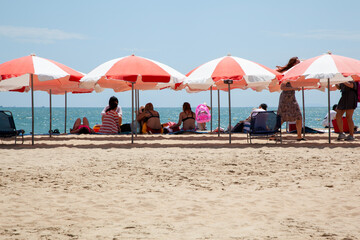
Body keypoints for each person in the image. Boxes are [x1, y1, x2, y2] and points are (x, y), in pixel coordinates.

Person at [276, 57, 304, 141]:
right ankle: (273, 133)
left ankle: (299, 136)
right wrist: (295, 88)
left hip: (292, 97)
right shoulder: (288, 73)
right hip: (285, 98)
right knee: (282, 118)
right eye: (298, 62)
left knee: (298, 116)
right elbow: (282, 87)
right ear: (293, 64)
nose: (299, 64)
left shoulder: (295, 73)